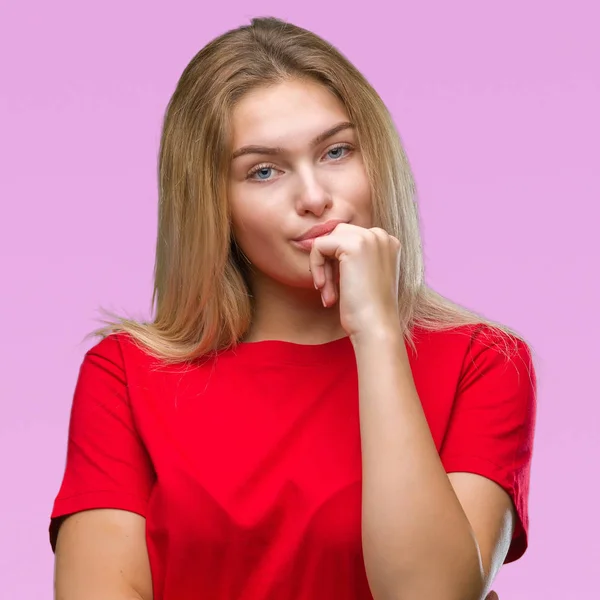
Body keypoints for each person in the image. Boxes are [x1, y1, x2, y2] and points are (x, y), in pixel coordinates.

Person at [49, 16, 537, 600]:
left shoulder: (481, 363)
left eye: (336, 151)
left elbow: (430, 594)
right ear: (213, 205)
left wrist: (378, 333)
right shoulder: (127, 376)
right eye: (263, 171)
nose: (313, 197)